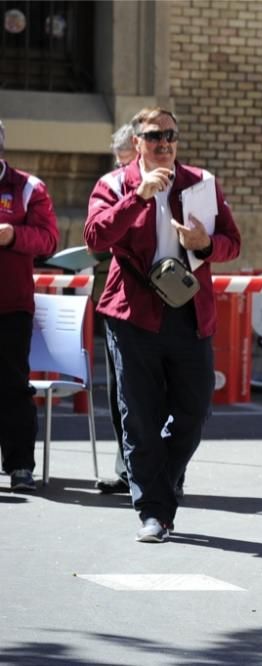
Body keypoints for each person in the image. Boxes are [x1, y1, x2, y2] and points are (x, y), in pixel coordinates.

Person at [84, 107, 241, 542]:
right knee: (139, 417)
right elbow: (95, 237)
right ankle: (153, 511)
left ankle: (162, 484)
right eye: (155, 137)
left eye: (171, 135)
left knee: (193, 411)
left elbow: (232, 242)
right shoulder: (114, 184)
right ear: (138, 143)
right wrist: (137, 198)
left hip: (188, 312)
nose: (165, 144)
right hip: (133, 314)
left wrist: (205, 243)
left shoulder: (202, 183)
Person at [0, 119, 59, 492]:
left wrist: (11, 235)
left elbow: (49, 240)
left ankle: (20, 465)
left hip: (10, 306)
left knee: (11, 385)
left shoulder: (27, 188)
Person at [94, 123, 137, 495]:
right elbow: (97, 234)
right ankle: (127, 471)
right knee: (120, 392)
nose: (124, 173)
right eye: (120, 164)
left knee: (161, 395)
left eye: (128, 164)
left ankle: (167, 471)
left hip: (166, 304)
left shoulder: (183, 185)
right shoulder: (111, 186)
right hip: (120, 299)